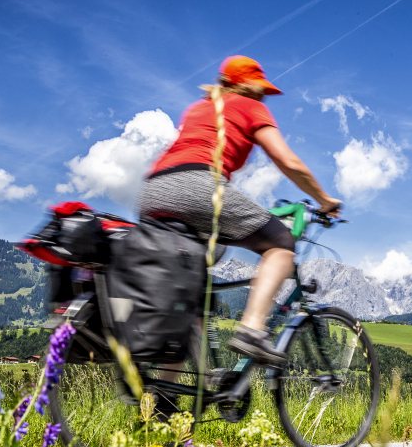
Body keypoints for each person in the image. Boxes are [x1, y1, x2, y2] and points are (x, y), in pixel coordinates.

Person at [139, 55, 341, 363]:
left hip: (152, 192)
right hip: (197, 187)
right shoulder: (248, 105)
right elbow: (287, 161)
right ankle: (252, 329)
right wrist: (324, 200)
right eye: (261, 89)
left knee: (193, 289)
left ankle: (171, 390)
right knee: (281, 243)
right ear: (247, 85)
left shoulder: (199, 108)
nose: (263, 96)